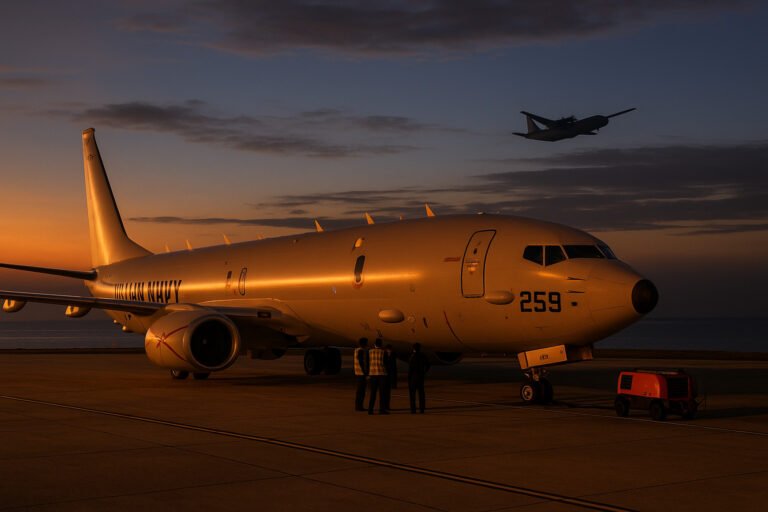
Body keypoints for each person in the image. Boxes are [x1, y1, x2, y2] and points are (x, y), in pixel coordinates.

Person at [367, 338, 388, 414]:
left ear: (374, 344)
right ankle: (382, 410)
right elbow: (386, 363)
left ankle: (370, 410)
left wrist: (368, 373)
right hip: (382, 374)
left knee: (373, 393)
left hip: (373, 374)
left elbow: (367, 363)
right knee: (382, 393)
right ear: (381, 344)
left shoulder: (370, 352)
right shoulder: (383, 352)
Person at [408, 342, 428, 414]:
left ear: (413, 348)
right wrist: (424, 372)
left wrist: (409, 378)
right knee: (421, 393)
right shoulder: (423, 355)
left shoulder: (412, 356)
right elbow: (428, 364)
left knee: (412, 395)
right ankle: (422, 409)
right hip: (421, 376)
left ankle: (413, 410)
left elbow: (410, 368)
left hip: (413, 377)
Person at [353, 338, 369, 411]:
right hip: (361, 374)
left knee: (360, 391)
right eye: (366, 342)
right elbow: (361, 362)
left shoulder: (356, 350)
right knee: (361, 391)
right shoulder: (361, 351)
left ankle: (358, 406)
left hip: (357, 372)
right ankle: (359, 407)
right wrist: (365, 373)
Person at [382, 344, 397, 411]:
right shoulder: (384, 354)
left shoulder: (393, 354)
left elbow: (394, 364)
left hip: (390, 372)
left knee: (387, 393)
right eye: (389, 349)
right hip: (385, 373)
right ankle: (384, 407)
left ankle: (387, 406)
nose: (390, 350)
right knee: (385, 393)